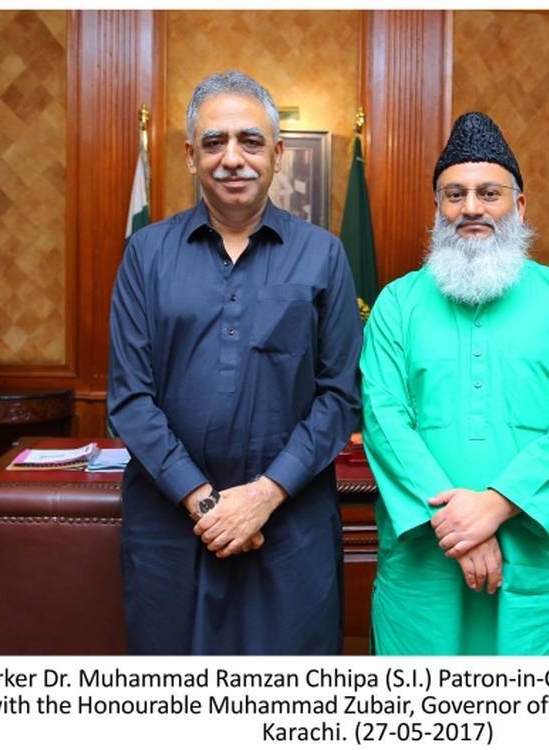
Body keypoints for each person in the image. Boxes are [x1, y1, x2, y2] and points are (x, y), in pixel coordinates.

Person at [108, 70, 362, 655]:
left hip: (290, 526)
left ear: (277, 154)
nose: (232, 158)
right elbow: (130, 397)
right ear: (190, 156)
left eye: (250, 141)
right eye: (214, 142)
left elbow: (340, 395)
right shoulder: (146, 254)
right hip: (170, 527)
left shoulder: (323, 255)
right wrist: (205, 502)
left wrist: (263, 497)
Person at [360, 112, 549, 655]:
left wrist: (496, 505)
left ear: (518, 206)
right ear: (438, 209)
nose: (471, 208)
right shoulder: (396, 305)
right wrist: (458, 527)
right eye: (454, 195)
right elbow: (384, 422)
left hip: (542, 567)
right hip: (426, 563)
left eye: (488, 193)